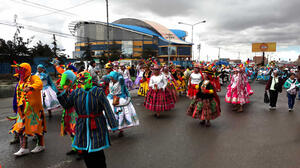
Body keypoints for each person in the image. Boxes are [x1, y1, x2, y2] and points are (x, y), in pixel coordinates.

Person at [57, 71, 118, 168]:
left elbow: (107, 109)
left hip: (97, 124)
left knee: (98, 153)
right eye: (80, 80)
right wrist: (61, 93)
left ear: (89, 79)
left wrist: (113, 125)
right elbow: (67, 105)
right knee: (86, 153)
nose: (81, 82)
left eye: (84, 80)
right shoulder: (76, 93)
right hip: (82, 125)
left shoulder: (98, 91)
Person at [10, 62, 46, 156]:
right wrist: (17, 105)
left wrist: (31, 87)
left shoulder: (34, 78)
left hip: (34, 109)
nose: (20, 73)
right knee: (21, 128)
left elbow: (39, 84)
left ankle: (41, 145)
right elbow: (18, 94)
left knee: (37, 128)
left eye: (22, 70)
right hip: (22, 109)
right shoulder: (21, 81)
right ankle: (24, 148)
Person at [107, 71, 139, 137]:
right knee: (109, 114)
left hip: (119, 100)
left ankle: (121, 129)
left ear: (115, 77)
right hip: (110, 99)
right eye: (110, 77)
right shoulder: (110, 82)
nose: (111, 79)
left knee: (120, 114)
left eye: (112, 77)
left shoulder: (120, 82)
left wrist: (120, 76)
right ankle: (110, 127)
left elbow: (122, 82)